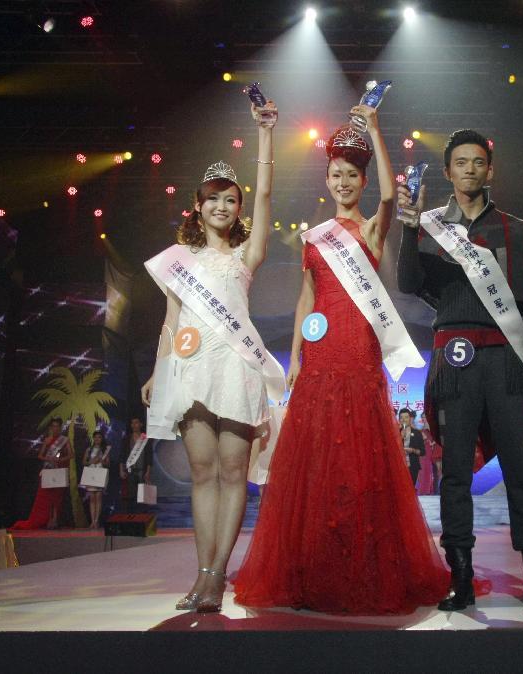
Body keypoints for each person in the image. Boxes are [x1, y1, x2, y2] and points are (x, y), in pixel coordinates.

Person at [234, 107, 449, 615]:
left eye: (353, 174)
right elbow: (305, 302)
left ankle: (363, 565)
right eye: (336, 174)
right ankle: (312, 568)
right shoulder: (313, 237)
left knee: (360, 457)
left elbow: (394, 195)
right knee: (313, 462)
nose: (344, 181)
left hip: (359, 349)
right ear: (327, 179)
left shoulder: (373, 230)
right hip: (321, 352)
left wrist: (375, 127)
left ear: (361, 179)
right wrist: (294, 358)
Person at [397, 128, 523, 610]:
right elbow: (408, 284)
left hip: (505, 361)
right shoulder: (428, 225)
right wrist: (408, 229)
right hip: (453, 358)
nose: (469, 169)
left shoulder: (513, 228)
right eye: (460, 163)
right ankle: (461, 577)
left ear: (489, 170)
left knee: (520, 470)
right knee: (453, 474)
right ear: (447, 171)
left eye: (477, 162)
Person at [141, 97, 281, 613]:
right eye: (212, 199)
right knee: (202, 473)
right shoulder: (179, 261)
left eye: (231, 199)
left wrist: (266, 134)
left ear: (239, 208)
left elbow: (266, 192)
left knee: (230, 472)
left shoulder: (249, 252)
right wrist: (160, 371)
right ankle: (201, 575)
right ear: (197, 206)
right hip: (192, 369)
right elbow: (171, 320)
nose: (222, 206)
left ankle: (219, 576)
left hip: (237, 369)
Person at [12, 418, 73, 530]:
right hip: (48, 470)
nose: (55, 428)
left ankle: (54, 520)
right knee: (47, 497)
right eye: (53, 426)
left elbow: (70, 455)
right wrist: (48, 458)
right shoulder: (47, 440)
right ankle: (48, 519)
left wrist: (59, 460)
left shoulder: (65, 440)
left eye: (57, 426)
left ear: (60, 428)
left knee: (57, 497)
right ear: (51, 428)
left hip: (58, 470)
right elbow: (40, 455)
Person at [119, 418, 152, 513]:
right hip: (130, 471)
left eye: (136, 422)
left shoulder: (145, 438)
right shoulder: (126, 438)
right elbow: (122, 455)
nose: (134, 425)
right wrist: (121, 470)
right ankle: (132, 518)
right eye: (132, 423)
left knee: (143, 497)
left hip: (142, 470)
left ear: (141, 424)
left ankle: (143, 518)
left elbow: (149, 456)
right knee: (131, 496)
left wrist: (148, 471)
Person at [83, 430, 110, 528]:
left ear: (102, 439)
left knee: (98, 497)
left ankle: (96, 520)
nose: (97, 439)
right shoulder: (89, 449)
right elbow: (84, 462)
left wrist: (102, 461)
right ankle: (92, 521)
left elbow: (108, 464)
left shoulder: (105, 450)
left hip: (100, 474)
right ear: (93, 438)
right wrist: (92, 461)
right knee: (92, 498)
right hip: (91, 474)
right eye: (96, 437)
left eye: (99, 437)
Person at [399, 408, 425, 488]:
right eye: (401, 417)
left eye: (406, 417)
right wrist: (400, 438)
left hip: (413, 465)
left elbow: (423, 452)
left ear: (410, 418)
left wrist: (413, 450)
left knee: (410, 489)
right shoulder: (395, 432)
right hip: (398, 466)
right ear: (399, 419)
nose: (404, 420)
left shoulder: (417, 433)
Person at [421, 412, 443, 494]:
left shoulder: (435, 428)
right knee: (431, 473)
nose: (423, 419)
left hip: (437, 451)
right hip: (428, 454)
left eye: (425, 417)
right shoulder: (423, 430)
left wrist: (432, 442)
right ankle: (433, 491)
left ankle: (441, 491)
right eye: (422, 417)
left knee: (439, 472)